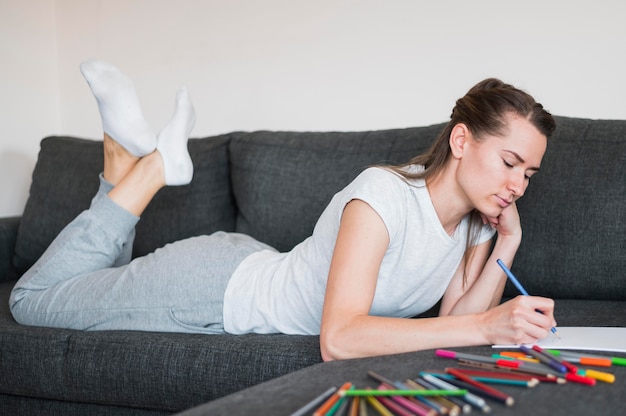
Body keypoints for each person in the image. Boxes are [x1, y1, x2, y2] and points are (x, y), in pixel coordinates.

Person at [10, 60, 557, 361]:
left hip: (249, 266)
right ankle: (153, 168)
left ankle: (118, 156)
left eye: (528, 174)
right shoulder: (384, 194)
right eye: (510, 162)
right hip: (212, 290)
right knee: (31, 302)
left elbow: (454, 328)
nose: (518, 185)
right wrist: (488, 325)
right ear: (462, 140)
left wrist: (505, 241)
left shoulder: (471, 227)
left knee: (91, 283)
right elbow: (339, 338)